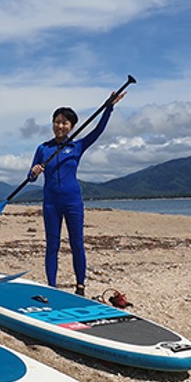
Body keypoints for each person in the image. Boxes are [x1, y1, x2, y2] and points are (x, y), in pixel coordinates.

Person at [27, 93, 125, 296]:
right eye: (57, 122)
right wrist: (34, 173)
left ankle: (80, 286)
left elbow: (98, 130)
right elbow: (31, 177)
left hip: (73, 202)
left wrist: (109, 108)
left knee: (77, 244)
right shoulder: (43, 148)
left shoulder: (77, 146)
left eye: (65, 123)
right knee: (52, 245)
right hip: (51, 203)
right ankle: (51, 287)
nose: (60, 126)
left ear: (71, 126)